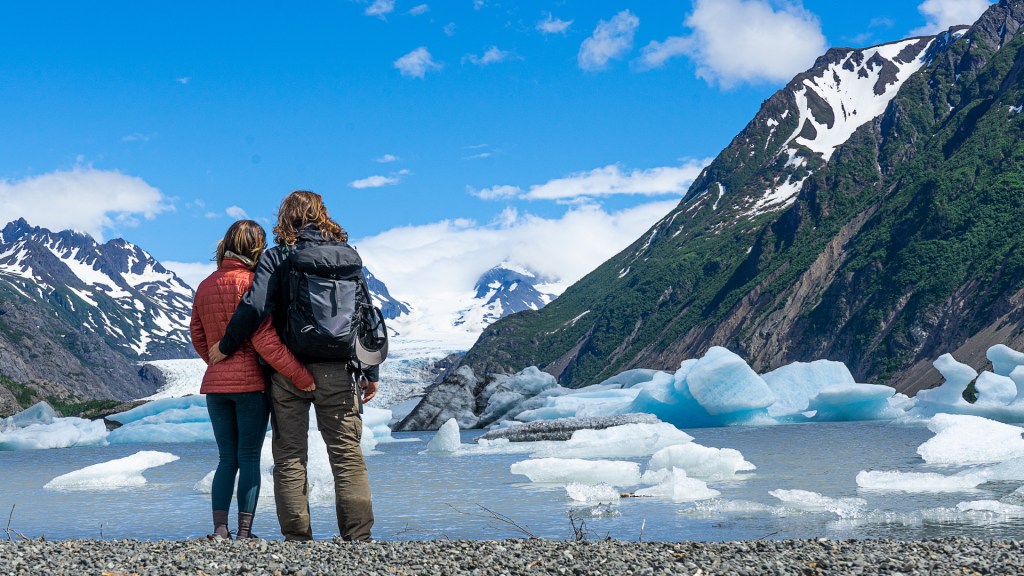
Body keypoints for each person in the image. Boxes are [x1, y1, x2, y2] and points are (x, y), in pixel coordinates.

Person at [208, 191, 378, 542]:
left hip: (288, 372)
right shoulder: (349, 257)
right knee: (346, 456)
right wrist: (370, 371)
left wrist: (225, 346)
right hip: (340, 369)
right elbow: (367, 315)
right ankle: (358, 538)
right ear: (323, 215)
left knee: (290, 457)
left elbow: (253, 308)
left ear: (286, 217)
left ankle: (298, 538)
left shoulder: (279, 255)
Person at [190, 220, 316, 540]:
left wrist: (217, 362)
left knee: (226, 459)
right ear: (256, 248)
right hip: (251, 387)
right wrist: (301, 376)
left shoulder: (205, 284)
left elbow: (197, 334)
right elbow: (265, 341)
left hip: (216, 388)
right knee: (248, 459)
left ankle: (220, 530)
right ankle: (245, 533)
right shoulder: (253, 284)